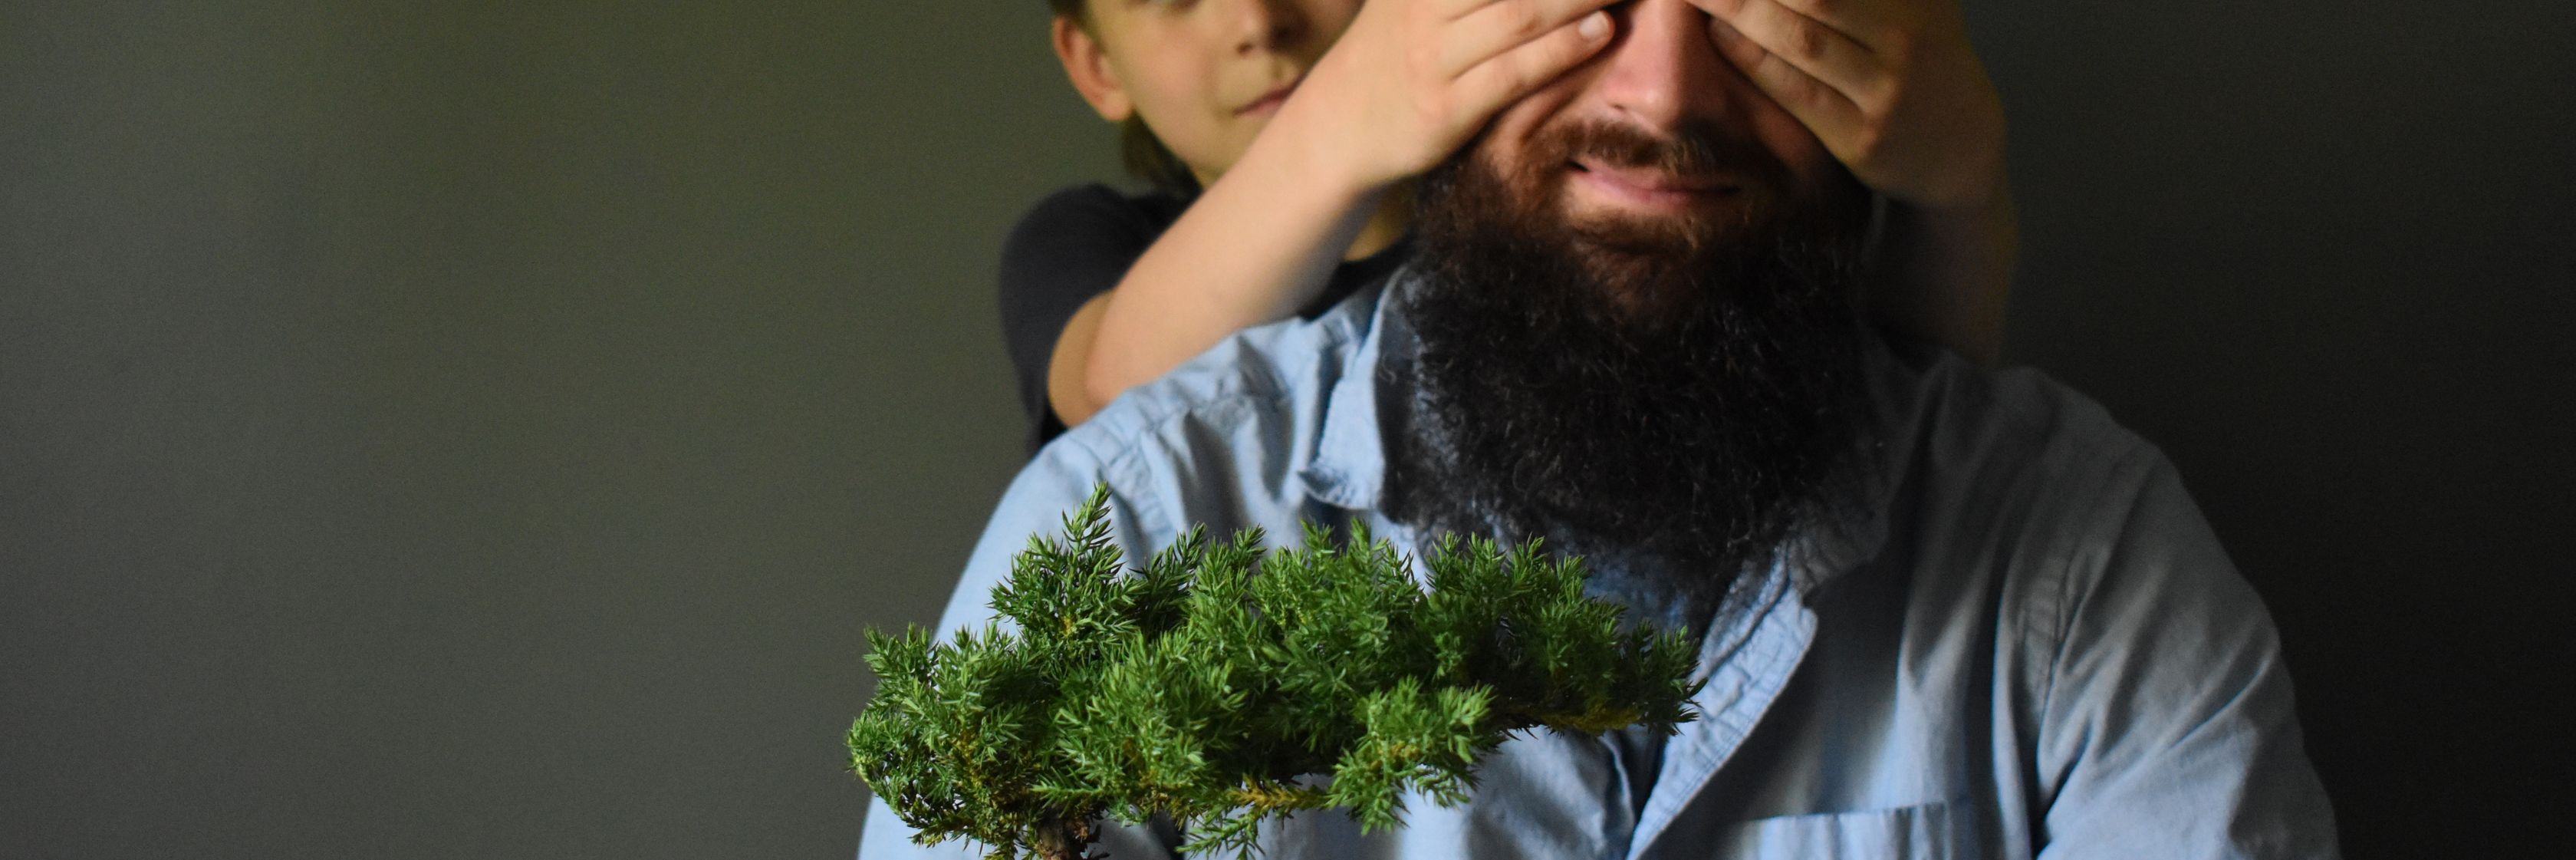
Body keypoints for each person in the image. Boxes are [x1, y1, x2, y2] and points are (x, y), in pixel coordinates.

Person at [870, 0, 2342, 855]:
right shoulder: (1131, 517)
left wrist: (1960, 175)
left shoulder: (2080, 567)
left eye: (1754, 3)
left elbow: (1915, 384)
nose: (1666, 93)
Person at [1002, 0, 2017, 452]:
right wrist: (1347, 118)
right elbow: (1115, 391)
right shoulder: (1081, 240)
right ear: (1095, 65)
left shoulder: (1532, 188)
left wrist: (1961, 179)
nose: (1258, 21)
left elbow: (1907, 384)